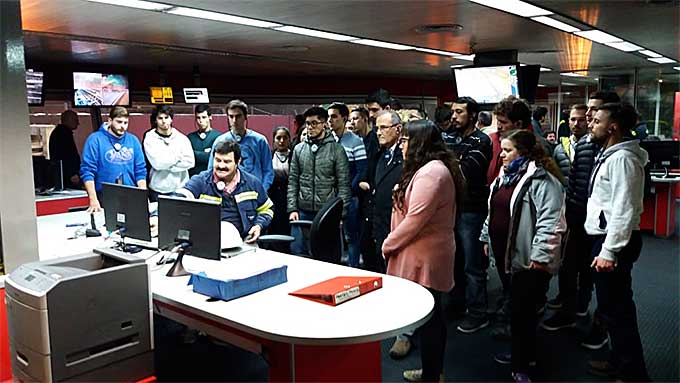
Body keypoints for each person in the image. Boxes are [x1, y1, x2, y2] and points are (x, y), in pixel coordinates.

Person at [480, 129, 566, 382]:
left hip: (529, 260)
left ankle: (523, 364)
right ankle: (522, 353)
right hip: (507, 256)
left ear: (524, 152)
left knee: (523, 312)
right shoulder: (504, 177)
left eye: (507, 151)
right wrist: (486, 236)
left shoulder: (544, 182)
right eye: (502, 150)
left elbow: (551, 223)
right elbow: (493, 210)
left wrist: (540, 256)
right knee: (518, 309)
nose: (502, 155)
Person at [382, 119, 464, 383]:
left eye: (405, 140)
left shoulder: (431, 173)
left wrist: (388, 244)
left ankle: (432, 375)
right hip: (421, 253)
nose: (401, 144)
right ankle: (432, 371)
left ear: (419, 143)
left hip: (425, 256)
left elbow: (414, 221)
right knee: (430, 318)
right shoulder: (427, 169)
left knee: (430, 319)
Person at [545, 91, 621, 351]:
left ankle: (599, 327)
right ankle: (569, 311)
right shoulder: (586, 144)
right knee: (568, 269)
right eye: (588, 111)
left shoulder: (619, 152)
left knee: (602, 282)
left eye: (595, 111)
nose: (589, 116)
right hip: (577, 220)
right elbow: (574, 184)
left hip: (603, 228)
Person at [584, 103, 650, 381]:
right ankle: (618, 359)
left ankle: (633, 372)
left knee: (619, 310)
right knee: (611, 309)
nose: (591, 123)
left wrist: (609, 251)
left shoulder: (623, 160)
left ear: (613, 127)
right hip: (607, 239)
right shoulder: (610, 155)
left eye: (596, 120)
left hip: (614, 243)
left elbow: (625, 209)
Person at [445, 97, 493, 333]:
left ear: (472, 115)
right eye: (453, 112)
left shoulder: (482, 141)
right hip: (452, 207)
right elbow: (446, 169)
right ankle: (458, 303)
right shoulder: (451, 138)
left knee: (473, 264)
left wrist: (451, 165)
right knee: (455, 261)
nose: (454, 116)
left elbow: (467, 173)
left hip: (472, 209)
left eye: (459, 112)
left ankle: (478, 312)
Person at [176, 140, 273, 243]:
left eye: (227, 161)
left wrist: (258, 225)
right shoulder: (200, 181)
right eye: (218, 160)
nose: (221, 166)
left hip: (245, 242)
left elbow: (267, 209)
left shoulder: (252, 183)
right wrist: (156, 216)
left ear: (238, 162)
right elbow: (178, 199)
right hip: (207, 241)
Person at [287, 106, 351, 256]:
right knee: (299, 253)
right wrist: (292, 209)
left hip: (327, 211)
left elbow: (343, 184)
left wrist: (341, 214)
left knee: (327, 255)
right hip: (302, 210)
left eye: (314, 123)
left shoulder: (336, 150)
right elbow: (293, 181)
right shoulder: (299, 149)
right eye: (308, 123)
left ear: (324, 124)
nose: (310, 127)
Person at [80, 106, 147, 212]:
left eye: (126, 123)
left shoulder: (133, 140)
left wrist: (143, 198)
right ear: (110, 120)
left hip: (131, 194)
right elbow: (87, 171)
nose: (123, 126)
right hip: (104, 196)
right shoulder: (95, 139)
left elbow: (140, 171)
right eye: (119, 122)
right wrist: (93, 200)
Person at [328, 102, 367, 268]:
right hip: (330, 197)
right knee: (331, 236)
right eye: (328, 116)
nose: (330, 120)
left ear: (344, 118)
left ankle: (354, 269)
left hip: (350, 196)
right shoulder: (327, 140)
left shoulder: (355, 141)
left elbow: (361, 170)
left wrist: (347, 192)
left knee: (352, 236)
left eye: (334, 116)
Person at [208, 100, 274, 190]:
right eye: (231, 116)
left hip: (254, 190)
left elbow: (268, 171)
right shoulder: (220, 141)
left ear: (245, 117)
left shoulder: (259, 141)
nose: (234, 120)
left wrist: (262, 190)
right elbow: (211, 170)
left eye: (238, 116)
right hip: (227, 191)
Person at [143, 105, 195, 201]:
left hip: (180, 189)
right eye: (160, 118)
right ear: (155, 120)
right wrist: (178, 156)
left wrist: (167, 164)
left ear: (171, 119)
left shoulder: (182, 138)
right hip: (157, 190)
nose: (164, 121)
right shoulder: (150, 138)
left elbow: (190, 162)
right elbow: (157, 164)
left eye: (166, 118)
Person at [551, 104, 588, 186]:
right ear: (568, 121)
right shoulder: (559, 149)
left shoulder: (595, 147)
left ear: (588, 121)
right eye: (573, 119)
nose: (576, 123)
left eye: (581, 120)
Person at [268, 126, 293, 247]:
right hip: (273, 195)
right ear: (274, 140)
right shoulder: (269, 156)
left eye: (285, 138)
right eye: (278, 138)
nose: (281, 141)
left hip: (289, 194)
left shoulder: (294, 155)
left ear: (289, 140)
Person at [49, 110, 81, 188]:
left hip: (63, 174)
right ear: (68, 120)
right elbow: (68, 155)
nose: (78, 123)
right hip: (67, 176)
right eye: (75, 120)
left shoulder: (59, 132)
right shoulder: (63, 134)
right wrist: (72, 173)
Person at [187, 104, 222, 176]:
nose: (201, 121)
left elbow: (215, 159)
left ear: (210, 117)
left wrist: (194, 153)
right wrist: (205, 154)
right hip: (193, 177)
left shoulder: (218, 137)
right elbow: (186, 158)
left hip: (211, 178)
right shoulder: (190, 138)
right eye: (198, 118)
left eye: (204, 117)